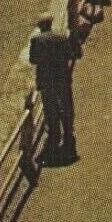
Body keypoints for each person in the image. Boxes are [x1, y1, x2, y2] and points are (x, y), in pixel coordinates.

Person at [29, 13, 78, 163]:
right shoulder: (62, 37)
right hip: (62, 78)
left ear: (40, 26)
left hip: (47, 80)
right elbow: (71, 54)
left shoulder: (37, 40)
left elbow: (33, 60)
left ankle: (54, 137)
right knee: (66, 106)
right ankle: (68, 135)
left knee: (51, 109)